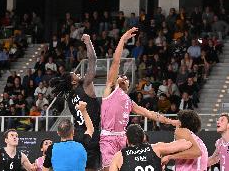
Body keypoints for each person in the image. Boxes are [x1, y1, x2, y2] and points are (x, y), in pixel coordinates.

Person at [100, 27, 179, 170]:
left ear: (129, 85)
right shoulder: (110, 90)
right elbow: (116, 62)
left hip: (124, 138)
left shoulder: (129, 102)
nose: (124, 77)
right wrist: (123, 40)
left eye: (126, 78)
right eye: (121, 76)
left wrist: (171, 121)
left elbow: (150, 114)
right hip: (109, 138)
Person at [50, 34, 100, 170]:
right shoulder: (86, 85)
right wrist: (89, 42)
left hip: (78, 136)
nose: (79, 75)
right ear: (73, 81)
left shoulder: (69, 98)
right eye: (76, 74)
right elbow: (93, 60)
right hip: (92, 133)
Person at [109, 124, 193, 171]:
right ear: (143, 138)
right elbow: (187, 144)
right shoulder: (156, 148)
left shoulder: (119, 156)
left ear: (127, 140)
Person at [42, 101, 94, 171]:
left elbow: (45, 169)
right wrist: (83, 110)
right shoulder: (82, 144)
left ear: (58, 133)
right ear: (73, 132)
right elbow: (90, 129)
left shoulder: (51, 148)